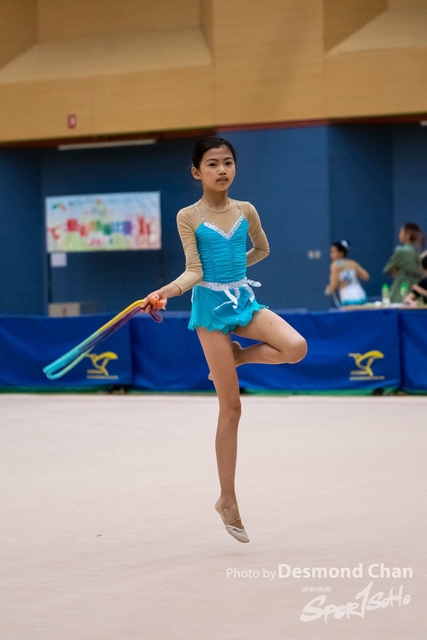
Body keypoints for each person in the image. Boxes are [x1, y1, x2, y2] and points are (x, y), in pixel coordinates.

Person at [142, 136, 307, 543]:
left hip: (243, 299)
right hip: (210, 310)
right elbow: (195, 270)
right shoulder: (188, 215)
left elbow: (262, 249)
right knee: (231, 408)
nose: (222, 170)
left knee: (295, 347)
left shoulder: (246, 210)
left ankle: (238, 357)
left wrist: (236, 270)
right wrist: (165, 292)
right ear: (196, 172)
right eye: (212, 164)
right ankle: (227, 499)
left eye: (228, 162)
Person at [383, 223, 423, 303]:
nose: (399, 235)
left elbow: (387, 268)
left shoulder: (402, 251)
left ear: (407, 234)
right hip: (417, 295)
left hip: (400, 294)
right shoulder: (417, 253)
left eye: (401, 232)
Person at [325, 241, 369, 306]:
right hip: (360, 294)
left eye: (333, 252)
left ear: (341, 253)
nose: (331, 255)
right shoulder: (353, 264)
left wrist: (329, 289)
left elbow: (333, 284)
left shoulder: (335, 265)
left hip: (347, 296)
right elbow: (366, 276)